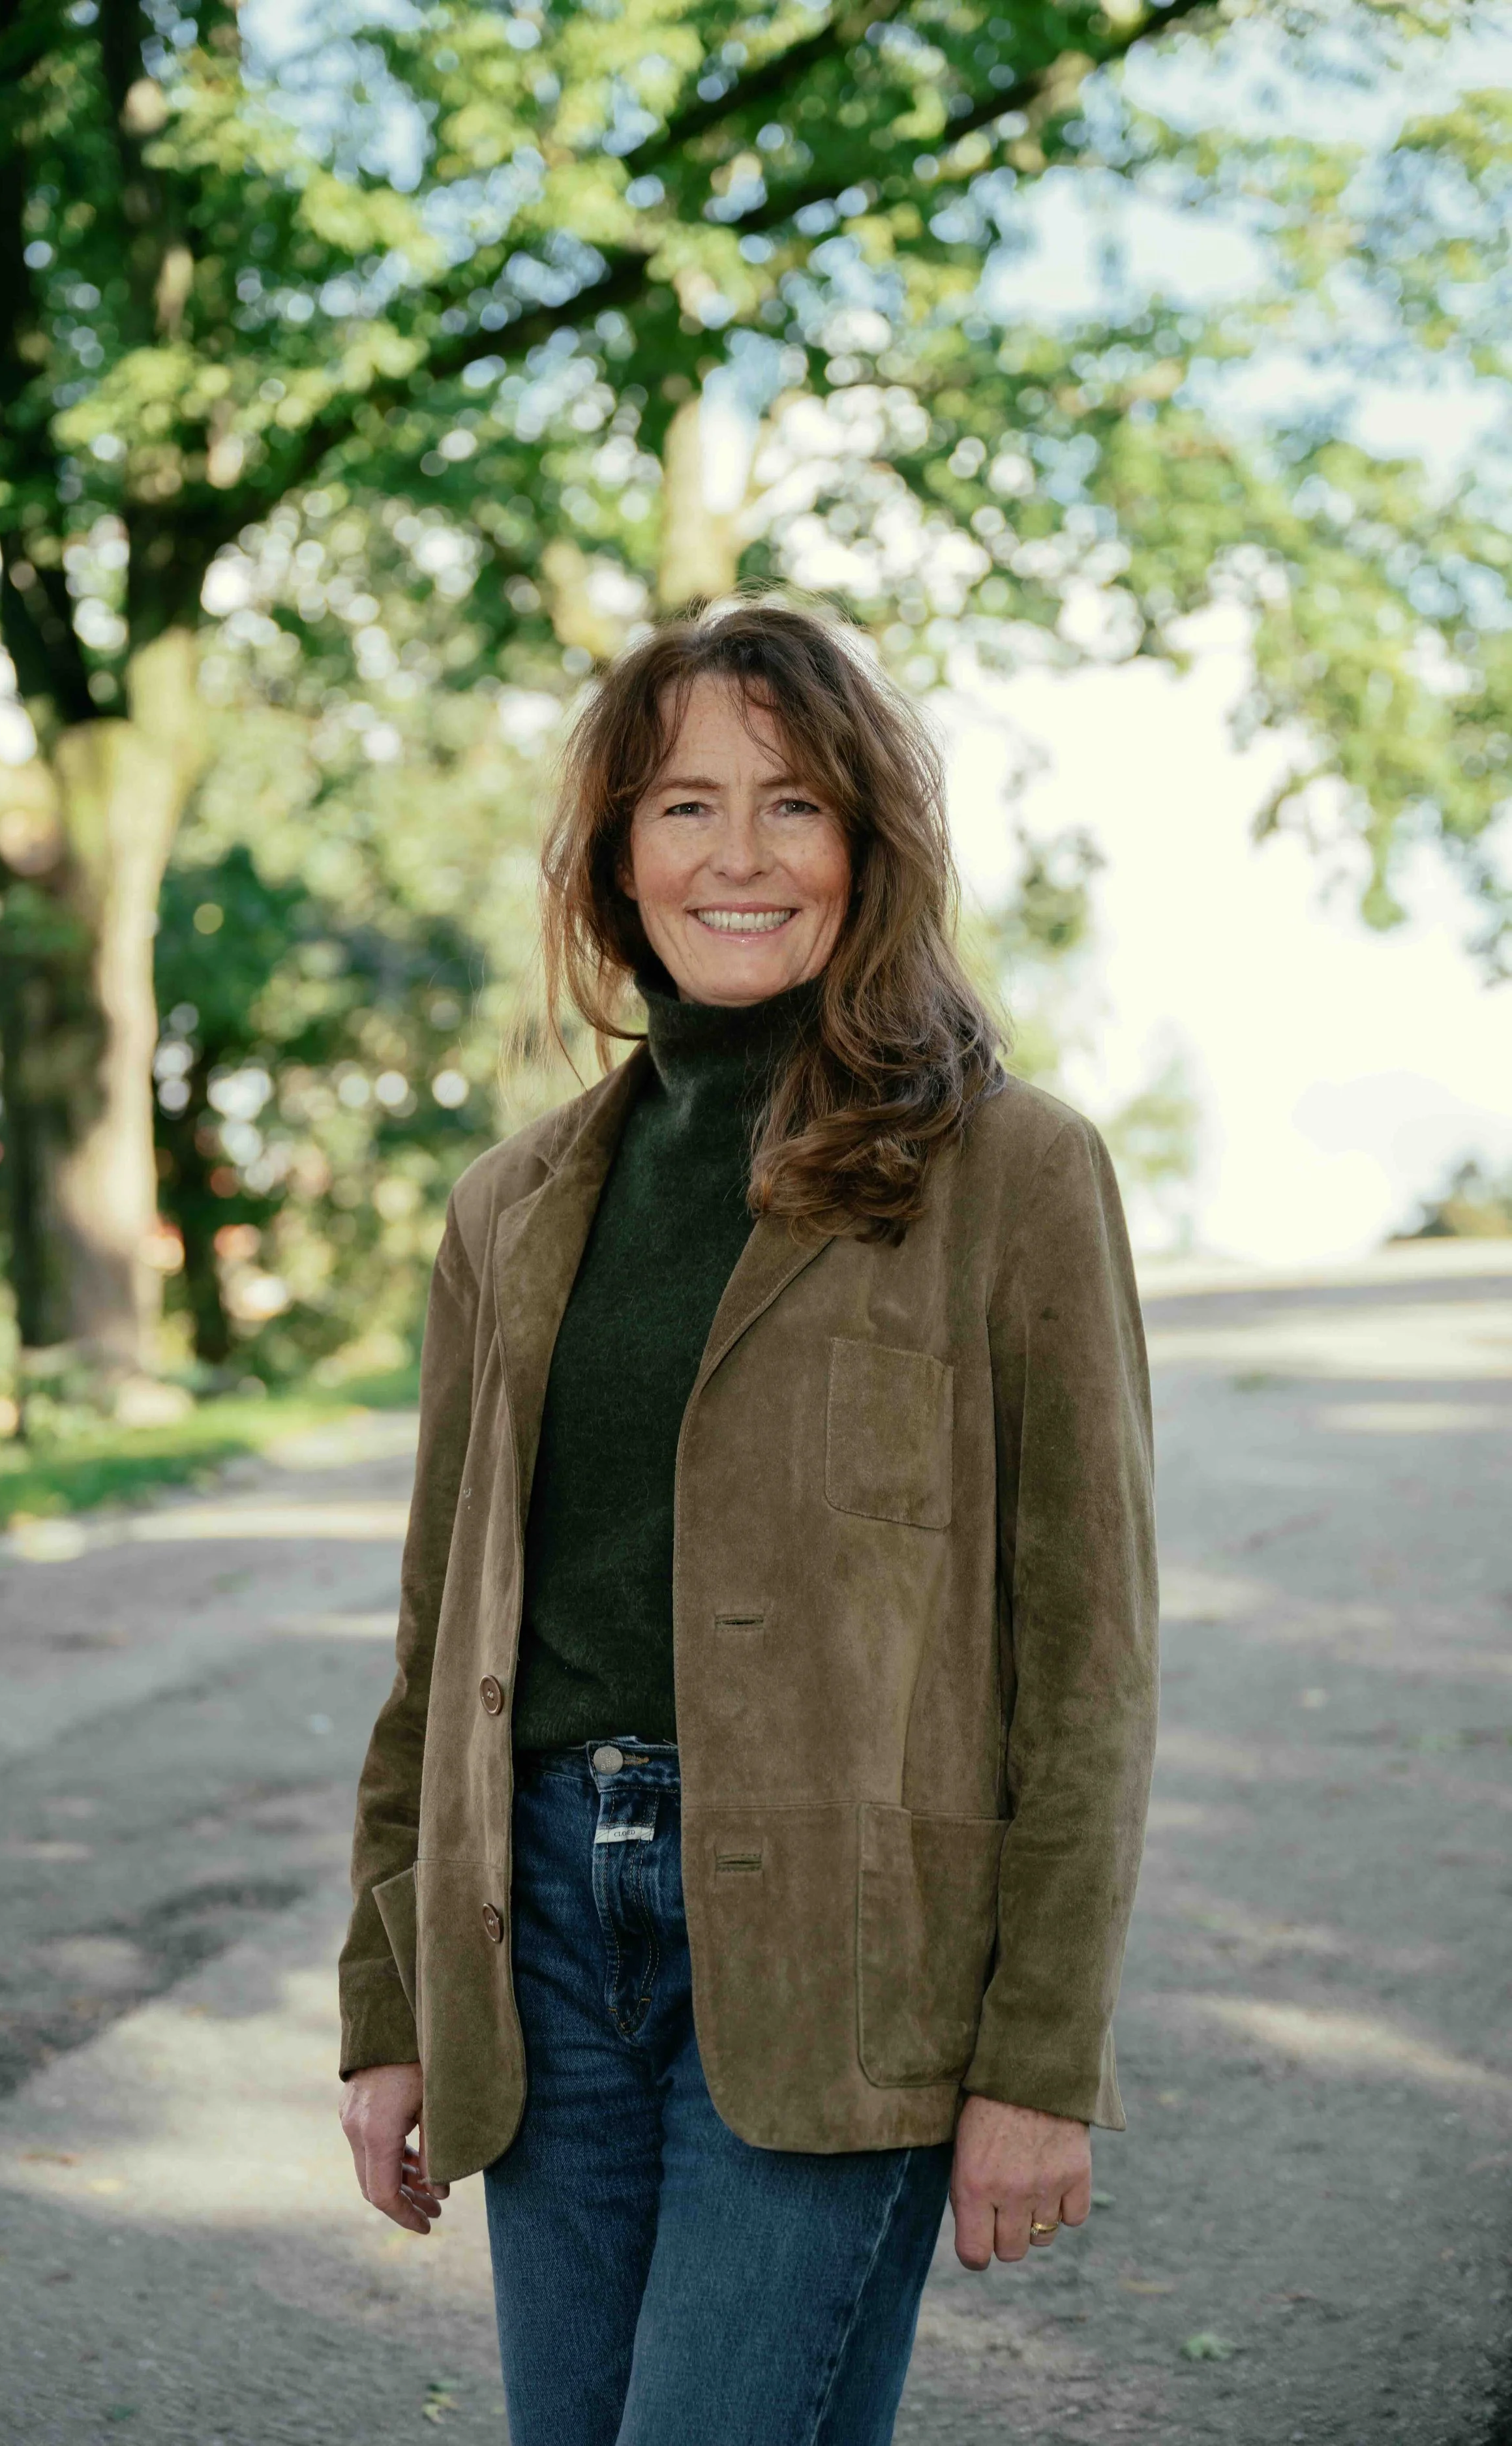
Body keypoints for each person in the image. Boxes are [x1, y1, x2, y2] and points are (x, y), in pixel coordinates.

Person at [338, 599, 1158, 2446]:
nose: (736, 855)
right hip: (542, 1935)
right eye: (683, 805)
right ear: (617, 855)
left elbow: (1086, 1657)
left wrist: (1038, 2060)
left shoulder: (1014, 1174)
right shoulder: (511, 1205)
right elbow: (434, 1645)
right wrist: (386, 2002)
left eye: (790, 806)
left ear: (867, 848)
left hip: (842, 1942)